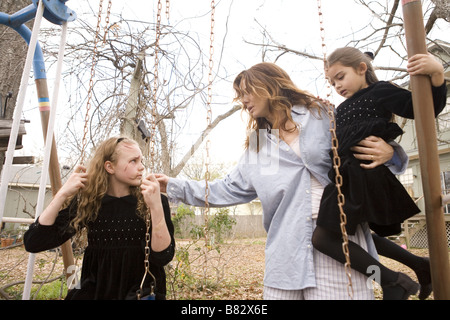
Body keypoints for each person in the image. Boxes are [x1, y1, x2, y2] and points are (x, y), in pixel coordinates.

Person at [156, 62, 409, 300]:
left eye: (246, 92)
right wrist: (173, 185)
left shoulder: (319, 115)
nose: (243, 101)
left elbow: (361, 140)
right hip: (286, 252)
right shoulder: (260, 143)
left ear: (268, 85)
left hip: (339, 240)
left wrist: (391, 153)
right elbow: (230, 188)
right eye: (240, 96)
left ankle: (398, 280)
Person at [312, 47, 447, 300]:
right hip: (345, 179)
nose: (337, 85)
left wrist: (437, 75)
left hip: (364, 176)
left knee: (324, 239)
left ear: (361, 69)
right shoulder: (339, 110)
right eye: (332, 82)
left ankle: (392, 280)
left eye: (340, 77)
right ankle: (417, 267)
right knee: (359, 239)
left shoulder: (380, 91)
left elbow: (424, 109)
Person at [24, 137, 175, 300]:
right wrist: (62, 194)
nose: (141, 167)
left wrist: (156, 207)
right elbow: (34, 241)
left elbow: (163, 256)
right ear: (109, 167)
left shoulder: (153, 200)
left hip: (139, 290)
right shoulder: (89, 202)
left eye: (141, 160)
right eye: (133, 161)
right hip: (98, 290)